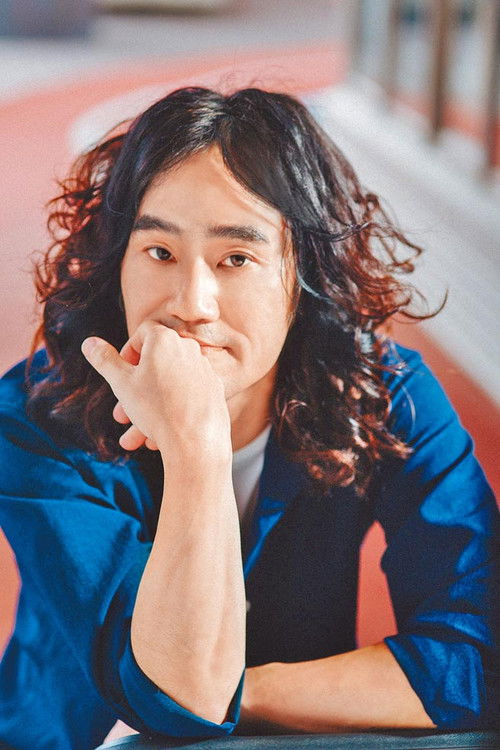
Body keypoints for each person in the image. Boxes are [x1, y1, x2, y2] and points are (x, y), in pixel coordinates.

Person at [0, 86, 498, 750]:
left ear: (302, 276)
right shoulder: (40, 414)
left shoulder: (379, 391)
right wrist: (197, 445)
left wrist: (243, 692)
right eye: (159, 252)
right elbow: (182, 698)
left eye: (235, 259)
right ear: (117, 262)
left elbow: (480, 660)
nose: (192, 304)